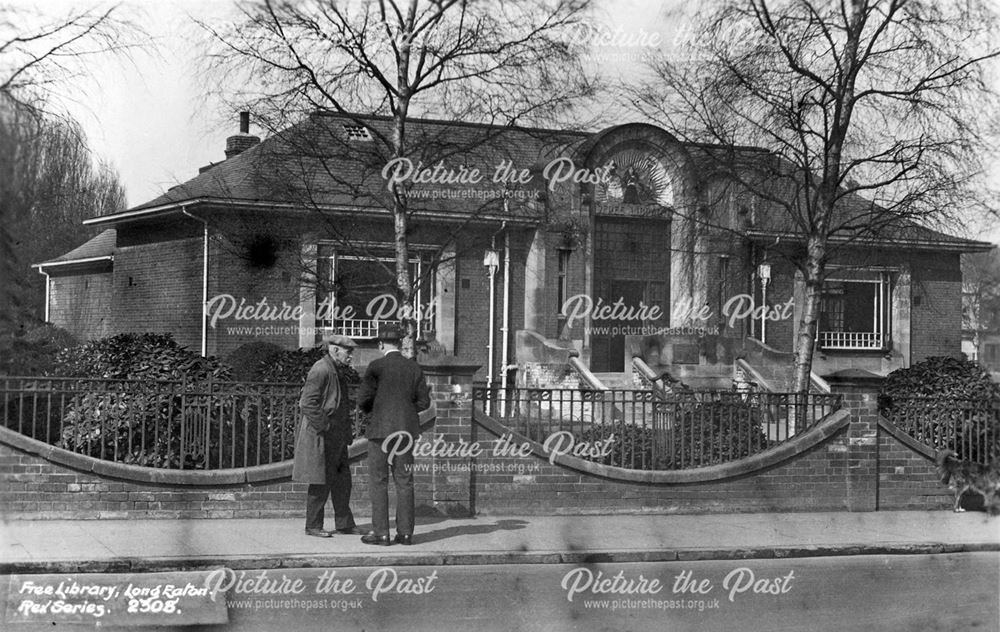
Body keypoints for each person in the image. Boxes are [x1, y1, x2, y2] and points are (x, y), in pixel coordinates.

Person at [358, 323, 431, 546]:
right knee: (405, 482)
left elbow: (363, 400)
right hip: (405, 433)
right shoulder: (414, 368)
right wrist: (407, 413)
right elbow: (424, 402)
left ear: (381, 344)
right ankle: (406, 534)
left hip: (380, 432)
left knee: (379, 482)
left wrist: (377, 411)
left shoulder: (375, 366)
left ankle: (381, 533)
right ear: (400, 343)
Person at [292, 334, 361, 537]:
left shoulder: (336, 370)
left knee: (342, 482)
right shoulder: (321, 369)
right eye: (348, 352)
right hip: (323, 434)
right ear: (335, 350)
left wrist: (343, 432)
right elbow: (307, 403)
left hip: (335, 435)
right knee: (320, 481)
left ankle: (345, 524)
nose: (351, 356)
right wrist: (326, 426)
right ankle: (313, 526)